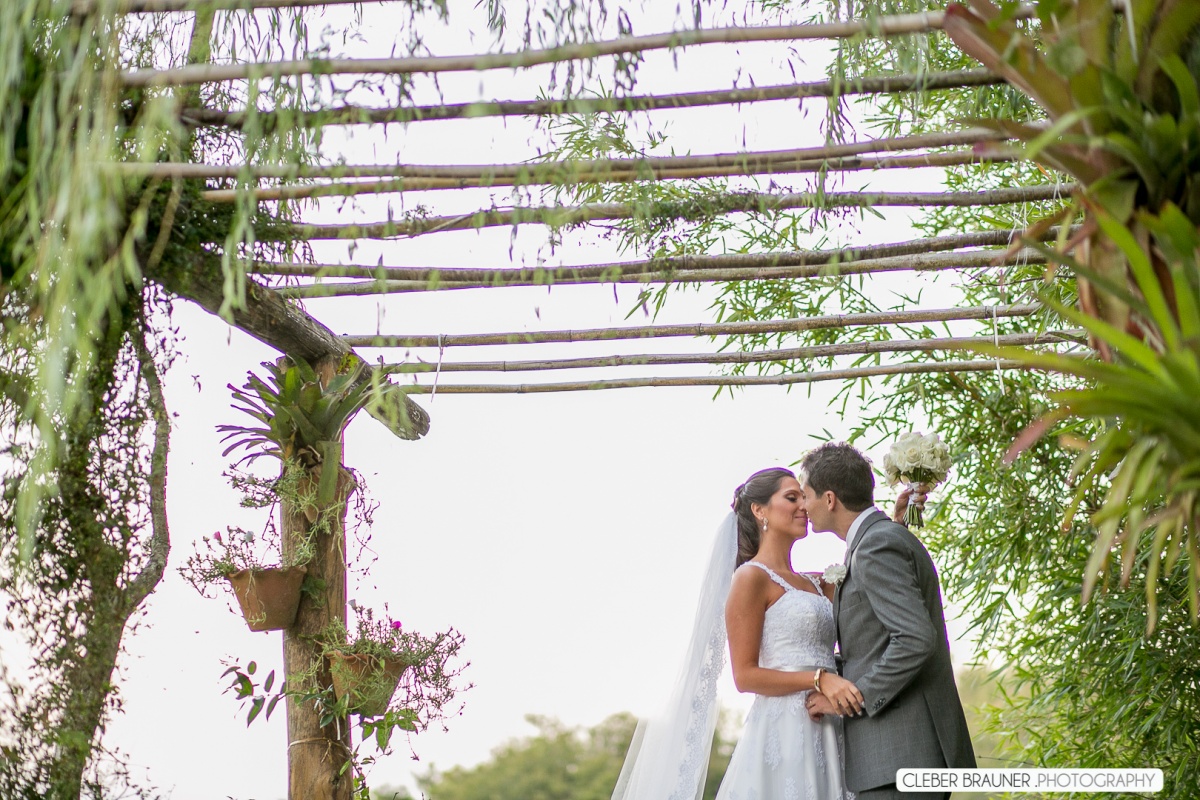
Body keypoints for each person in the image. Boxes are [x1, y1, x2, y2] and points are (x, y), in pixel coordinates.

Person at [613, 467, 910, 800]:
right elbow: (746, 676)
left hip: (830, 724)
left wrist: (893, 526)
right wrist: (819, 679)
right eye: (791, 497)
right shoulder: (750, 578)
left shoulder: (819, 582)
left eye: (804, 497)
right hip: (783, 730)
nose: (804, 506)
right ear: (759, 510)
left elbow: (870, 580)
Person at [801, 442, 976, 800]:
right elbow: (874, 638)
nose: (803, 506)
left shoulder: (876, 545)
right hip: (898, 760)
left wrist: (850, 698)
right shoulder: (878, 540)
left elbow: (915, 639)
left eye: (806, 495)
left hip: (900, 757)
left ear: (830, 499)